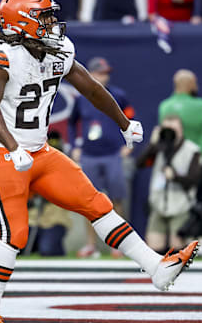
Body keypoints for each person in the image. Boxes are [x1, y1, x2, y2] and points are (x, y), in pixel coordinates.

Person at [0, 0, 199, 323]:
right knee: (15, 234)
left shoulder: (57, 49)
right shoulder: (2, 54)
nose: (52, 22)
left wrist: (123, 123)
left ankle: (156, 268)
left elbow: (90, 86)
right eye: (44, 16)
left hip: (40, 151)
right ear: (23, 21)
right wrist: (13, 148)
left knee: (98, 204)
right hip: (4, 152)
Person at [68, 57, 135, 258]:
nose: (104, 77)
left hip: (112, 154)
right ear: (91, 74)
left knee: (117, 199)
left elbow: (131, 118)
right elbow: (72, 124)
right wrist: (74, 145)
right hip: (89, 155)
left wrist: (128, 144)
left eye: (106, 73)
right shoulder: (82, 97)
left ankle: (120, 244)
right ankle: (91, 245)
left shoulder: (118, 95)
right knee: (90, 202)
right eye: (100, 73)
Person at [158, 69, 202, 254]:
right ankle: (195, 235)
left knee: (186, 199)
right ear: (189, 84)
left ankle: (188, 235)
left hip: (176, 162)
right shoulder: (200, 104)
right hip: (199, 159)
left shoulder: (165, 106)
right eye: (194, 82)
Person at [137, 115, 202, 254]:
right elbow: (139, 163)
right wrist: (153, 143)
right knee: (153, 247)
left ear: (181, 130)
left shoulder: (192, 150)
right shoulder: (159, 148)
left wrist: (175, 177)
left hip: (180, 205)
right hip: (158, 204)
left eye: (174, 128)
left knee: (177, 247)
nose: (170, 132)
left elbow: (194, 179)